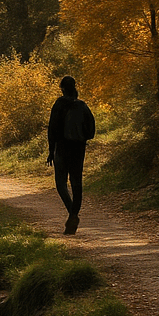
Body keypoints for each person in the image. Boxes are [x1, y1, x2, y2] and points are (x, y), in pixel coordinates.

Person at [46, 76, 95, 235]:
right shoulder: (82, 106)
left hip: (61, 148)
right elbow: (91, 131)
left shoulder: (59, 104)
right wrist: (81, 138)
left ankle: (73, 214)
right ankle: (73, 215)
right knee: (76, 184)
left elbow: (51, 129)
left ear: (62, 88)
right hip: (78, 149)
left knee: (61, 184)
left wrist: (50, 151)